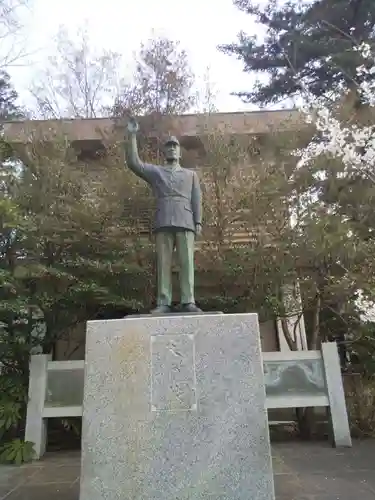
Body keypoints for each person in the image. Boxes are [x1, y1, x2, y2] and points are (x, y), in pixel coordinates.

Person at [126, 117, 202, 314]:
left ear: (179, 151)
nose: (172, 149)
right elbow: (134, 163)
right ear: (165, 151)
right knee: (164, 263)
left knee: (187, 263)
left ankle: (188, 301)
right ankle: (163, 302)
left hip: (185, 221)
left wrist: (198, 222)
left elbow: (196, 199)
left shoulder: (190, 175)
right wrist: (132, 136)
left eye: (175, 146)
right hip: (164, 219)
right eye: (168, 147)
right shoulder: (156, 172)